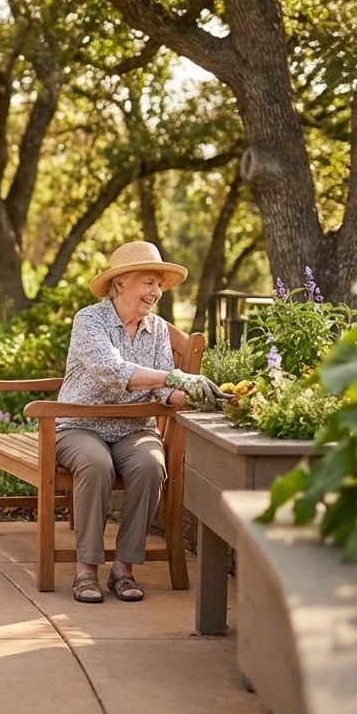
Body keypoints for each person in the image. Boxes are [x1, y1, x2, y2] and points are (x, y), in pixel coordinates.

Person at [57, 240, 225, 604]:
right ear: (121, 283)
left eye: (159, 285)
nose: (156, 292)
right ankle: (86, 569)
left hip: (133, 429)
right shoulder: (90, 320)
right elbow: (112, 371)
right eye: (149, 282)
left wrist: (201, 394)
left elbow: (167, 394)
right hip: (80, 426)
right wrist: (174, 378)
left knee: (151, 465)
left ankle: (124, 569)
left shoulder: (158, 330)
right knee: (96, 463)